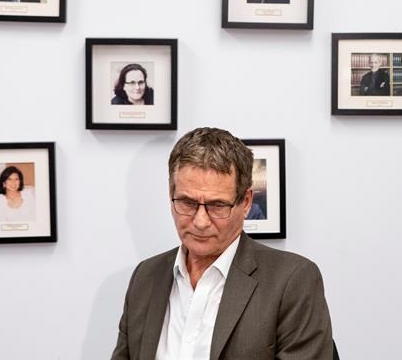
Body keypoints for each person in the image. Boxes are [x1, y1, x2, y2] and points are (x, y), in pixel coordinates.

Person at [111, 127, 332, 360]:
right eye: (187, 203)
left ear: (246, 202)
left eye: (217, 206)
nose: (200, 221)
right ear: (170, 195)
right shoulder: (145, 276)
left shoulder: (291, 280)